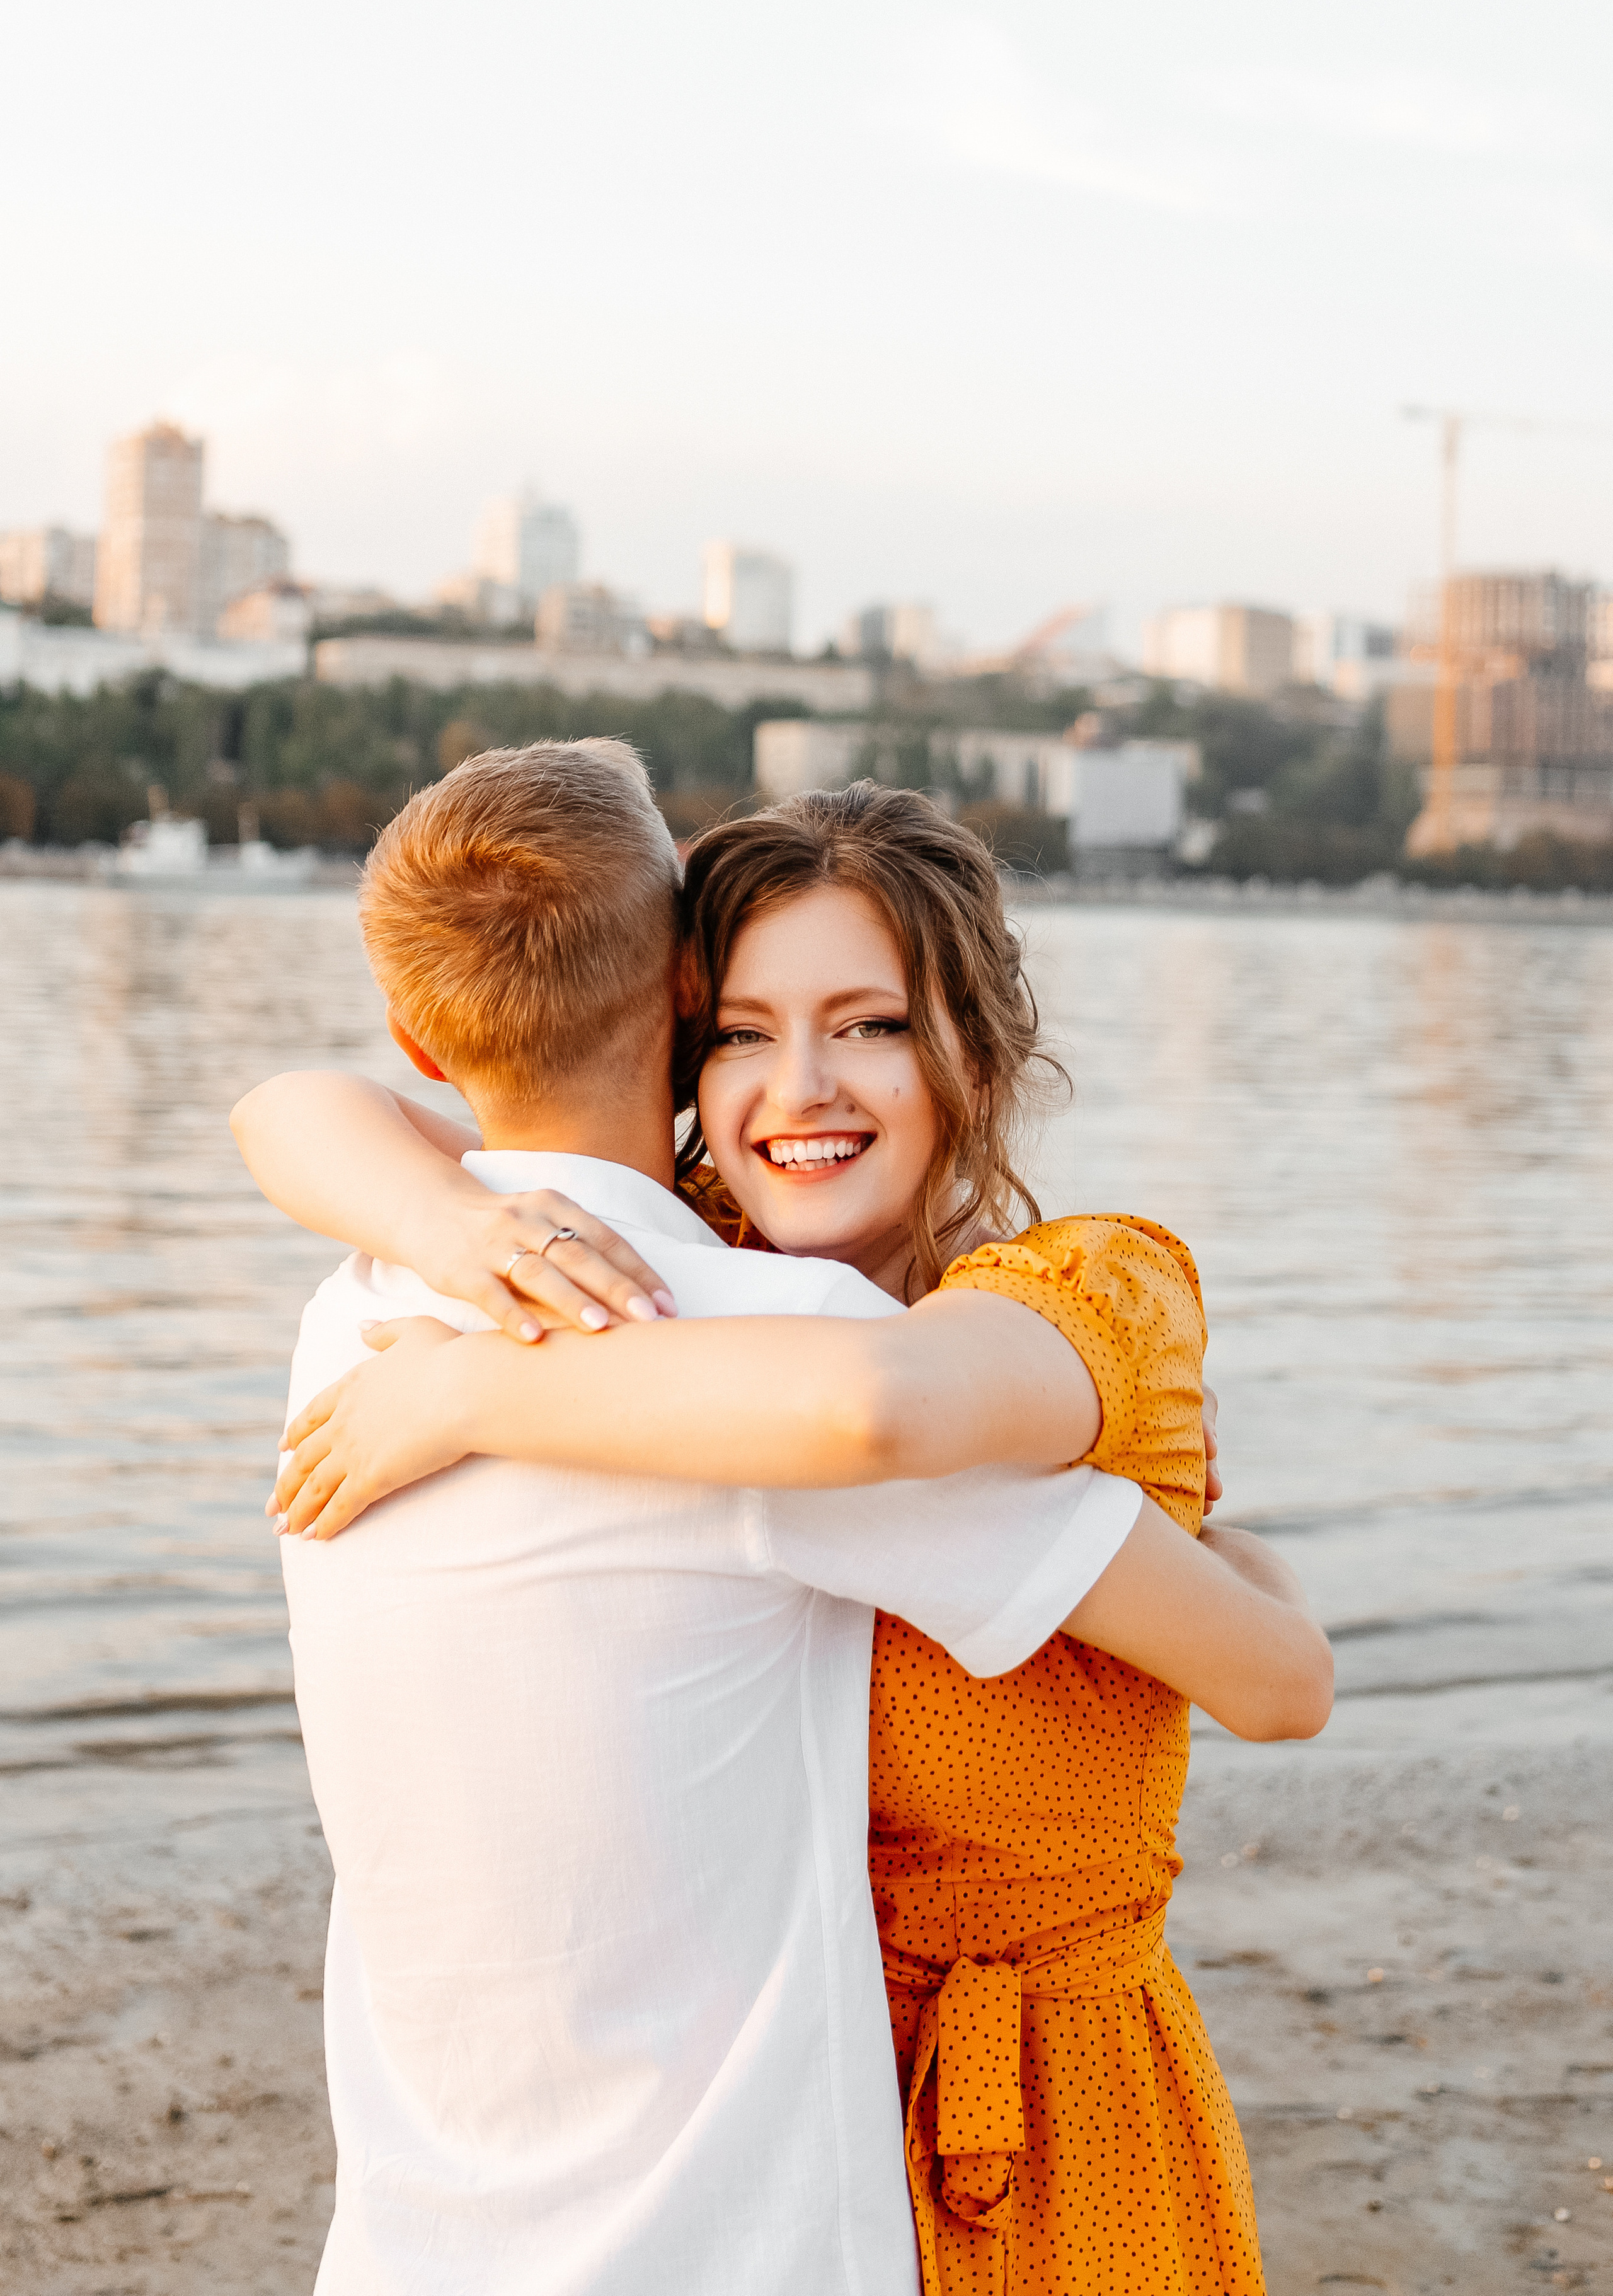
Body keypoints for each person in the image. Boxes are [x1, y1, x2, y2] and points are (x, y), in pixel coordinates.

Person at [240, 761, 1331, 2294]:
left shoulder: (1000, 1317)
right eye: (746, 1034)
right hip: (788, 2144)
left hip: (1034, 2136)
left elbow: (1266, 1665)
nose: (802, 1085)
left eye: (870, 1025)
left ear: (975, 1044)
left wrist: (478, 1391)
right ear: (684, 1013)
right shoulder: (638, 1290)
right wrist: (445, 1226)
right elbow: (290, 1108)